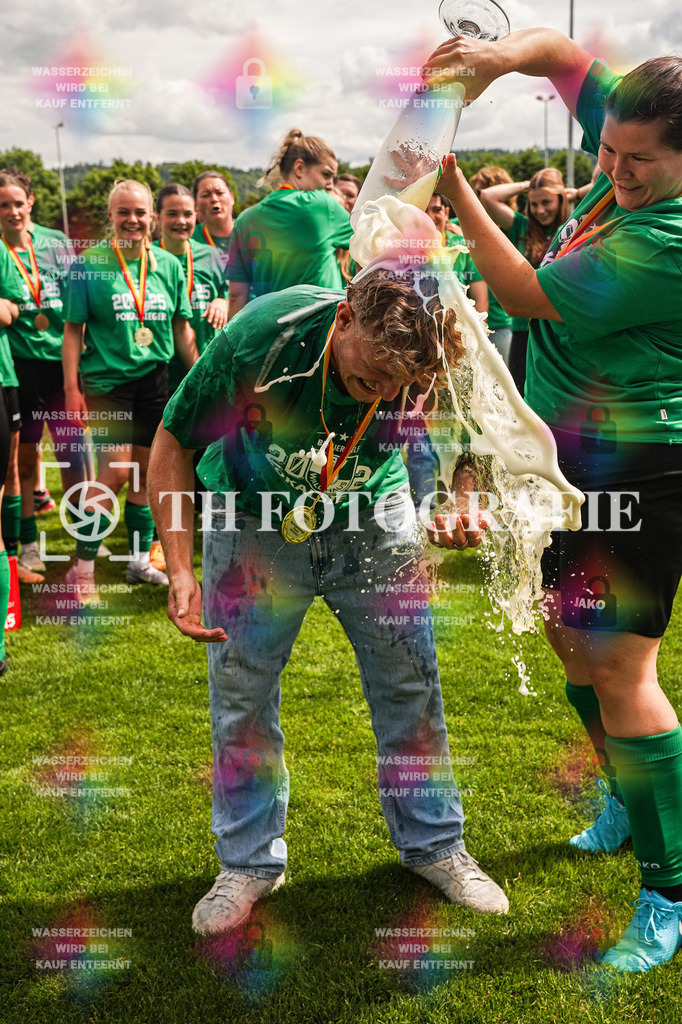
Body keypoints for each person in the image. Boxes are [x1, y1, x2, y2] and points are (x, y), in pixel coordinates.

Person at [148, 265, 509, 935]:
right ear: (344, 319)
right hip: (252, 518)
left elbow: (476, 434)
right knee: (243, 696)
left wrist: (463, 496)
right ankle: (248, 863)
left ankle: (436, 846)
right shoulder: (262, 337)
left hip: (375, 514)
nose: (388, 394)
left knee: (411, 684)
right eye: (374, 379)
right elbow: (173, 441)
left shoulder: (433, 346)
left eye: (403, 386)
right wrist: (179, 566)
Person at [427, 27, 682, 971]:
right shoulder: (636, 123)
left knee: (623, 673)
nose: (614, 169)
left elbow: (526, 290)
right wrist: (493, 62)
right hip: (560, 464)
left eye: (639, 161)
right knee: (570, 642)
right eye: (606, 151)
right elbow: (554, 49)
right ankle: (626, 793)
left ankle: (669, 890)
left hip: (638, 469)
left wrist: (450, 186)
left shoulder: (671, 236)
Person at [62, 179, 197, 599]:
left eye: (140, 213)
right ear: (111, 216)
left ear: (151, 217)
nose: (133, 220)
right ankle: (81, 568)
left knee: (145, 474)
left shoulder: (168, 266)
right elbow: (72, 331)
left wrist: (200, 378)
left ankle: (138, 562)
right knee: (115, 473)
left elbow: (181, 329)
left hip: (154, 381)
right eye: (124, 212)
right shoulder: (89, 265)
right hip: (107, 382)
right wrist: (71, 388)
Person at [0, 167, 88, 583]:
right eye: (4, 205)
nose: (13, 211)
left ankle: (82, 535)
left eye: (18, 202)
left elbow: (78, 299)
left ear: (31, 201)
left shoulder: (55, 243)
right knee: (26, 456)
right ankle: (30, 544)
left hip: (62, 363)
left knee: (73, 452)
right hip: (20, 364)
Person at [227, 129, 352, 319]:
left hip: (270, 334)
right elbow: (372, 239)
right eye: (326, 175)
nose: (330, 184)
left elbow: (237, 295)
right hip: (320, 336)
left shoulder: (245, 219)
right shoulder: (322, 206)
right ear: (299, 168)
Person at [477, 167, 568, 393]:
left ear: (561, 199)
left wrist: (570, 193)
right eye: (534, 203)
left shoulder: (574, 229)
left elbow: (605, 191)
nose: (539, 210)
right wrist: (530, 185)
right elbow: (488, 197)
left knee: (556, 397)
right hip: (522, 329)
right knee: (520, 395)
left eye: (546, 202)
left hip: (559, 329)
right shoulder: (521, 226)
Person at [154, 183, 228, 394]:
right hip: (164, 372)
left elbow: (229, 291)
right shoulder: (148, 259)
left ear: (196, 216)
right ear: (157, 217)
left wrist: (222, 300)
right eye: (172, 214)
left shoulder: (210, 255)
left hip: (207, 364)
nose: (181, 221)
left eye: (187, 214)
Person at [468, 166, 519, 364]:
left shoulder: (513, 228)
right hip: (470, 327)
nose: (474, 197)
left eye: (480, 192)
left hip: (502, 325)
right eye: (473, 191)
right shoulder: (457, 225)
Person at [191, 172, 234, 269]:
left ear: (232, 198)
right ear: (196, 204)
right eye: (205, 195)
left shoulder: (251, 232)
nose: (214, 199)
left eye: (220, 193)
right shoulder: (189, 239)